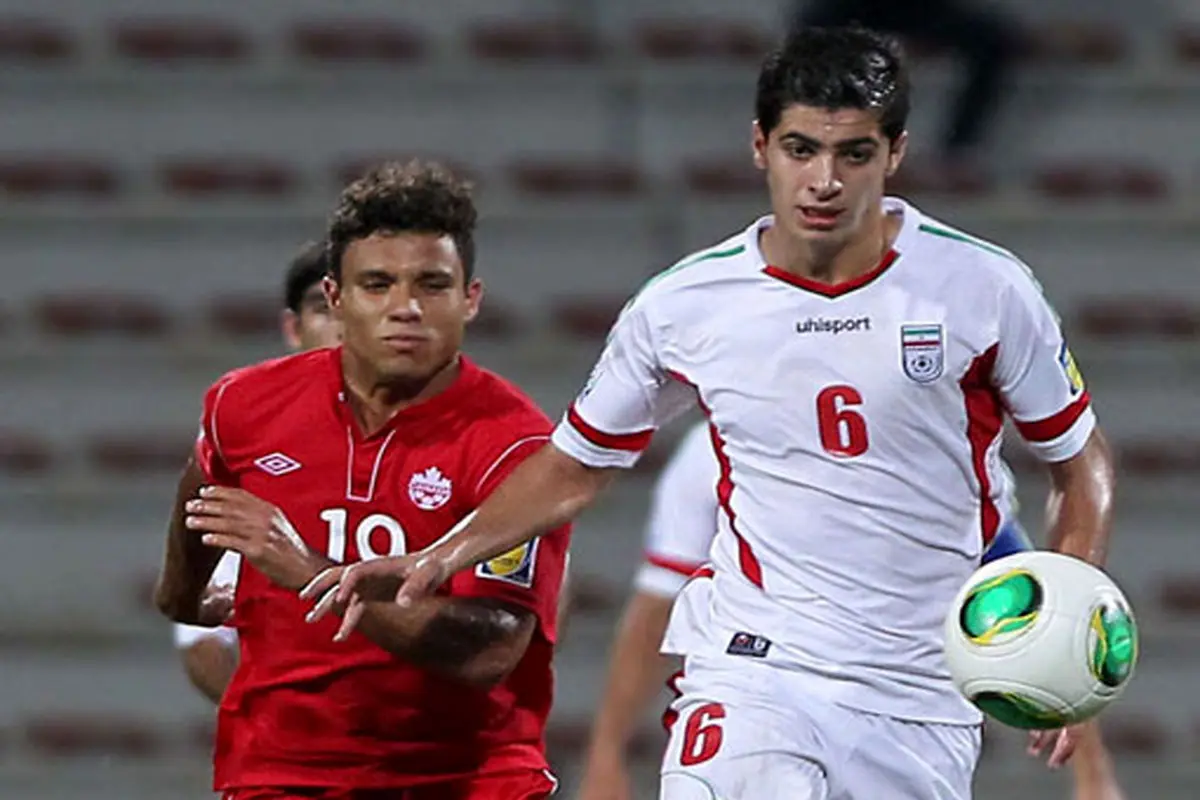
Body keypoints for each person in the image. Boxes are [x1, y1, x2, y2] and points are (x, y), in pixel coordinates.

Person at [308, 28, 1118, 799]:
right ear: (760, 145)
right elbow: (575, 464)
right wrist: (439, 556)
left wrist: (1066, 616)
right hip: (755, 667)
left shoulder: (983, 289)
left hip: (919, 692)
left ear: (895, 153)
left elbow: (1080, 465)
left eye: (854, 153)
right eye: (801, 150)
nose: (824, 181)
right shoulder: (687, 303)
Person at [153, 160, 568, 799]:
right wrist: (185, 598)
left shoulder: (516, 446)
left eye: (432, 285)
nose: (406, 308)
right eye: (378, 285)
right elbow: (198, 502)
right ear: (336, 297)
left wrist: (309, 571)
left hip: (463, 778)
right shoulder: (246, 405)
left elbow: (488, 651)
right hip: (282, 775)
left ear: (471, 299)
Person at [576, 422, 1127, 800]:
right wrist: (606, 753)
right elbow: (657, 603)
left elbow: (1032, 609)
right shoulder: (713, 454)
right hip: (765, 692)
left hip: (901, 713)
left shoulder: (943, 446)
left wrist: (1091, 769)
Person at [173, 241, 342, 705]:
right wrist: (273, 722)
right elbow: (201, 636)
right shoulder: (246, 434)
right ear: (293, 327)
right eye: (324, 308)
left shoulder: (466, 436)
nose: (344, 325)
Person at [793, 0, 1022, 177]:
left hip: (922, 11)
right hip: (854, 10)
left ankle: (960, 150)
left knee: (991, 43)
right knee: (817, 41)